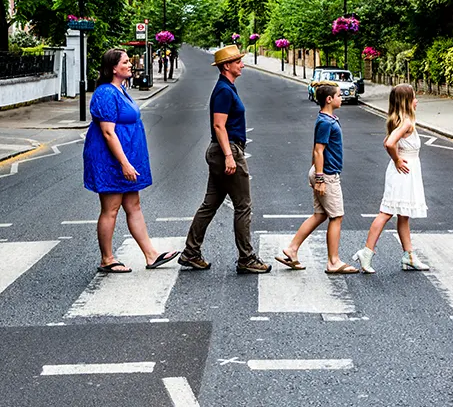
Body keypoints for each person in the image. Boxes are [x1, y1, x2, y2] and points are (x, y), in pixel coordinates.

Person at [82, 48, 180, 273]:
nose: (130, 64)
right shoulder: (106, 93)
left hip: (127, 158)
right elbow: (108, 132)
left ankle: (151, 255)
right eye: (126, 62)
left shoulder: (122, 89)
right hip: (111, 160)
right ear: (114, 68)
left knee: (133, 205)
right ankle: (106, 259)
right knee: (111, 209)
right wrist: (124, 163)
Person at [179, 45, 270, 274]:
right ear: (227, 66)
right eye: (238, 61)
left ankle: (191, 252)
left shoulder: (227, 88)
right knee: (243, 205)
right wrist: (230, 156)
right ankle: (246, 258)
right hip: (226, 151)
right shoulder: (223, 90)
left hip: (221, 152)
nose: (242, 64)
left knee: (210, 205)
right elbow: (219, 125)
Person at [275, 83, 358, 274]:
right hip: (327, 175)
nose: (341, 97)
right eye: (338, 95)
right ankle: (333, 262)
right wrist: (319, 178)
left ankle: (292, 249)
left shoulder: (328, 119)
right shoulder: (325, 122)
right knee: (336, 217)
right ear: (329, 99)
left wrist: (313, 173)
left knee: (320, 215)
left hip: (321, 172)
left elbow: (317, 149)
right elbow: (318, 150)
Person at [353, 83, 431, 273]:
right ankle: (367, 252)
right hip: (402, 172)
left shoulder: (401, 121)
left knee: (403, 216)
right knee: (387, 212)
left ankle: (409, 256)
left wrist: (397, 156)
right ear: (407, 102)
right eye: (414, 97)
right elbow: (389, 143)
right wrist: (397, 159)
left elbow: (387, 142)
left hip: (406, 171)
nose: (417, 100)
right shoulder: (406, 123)